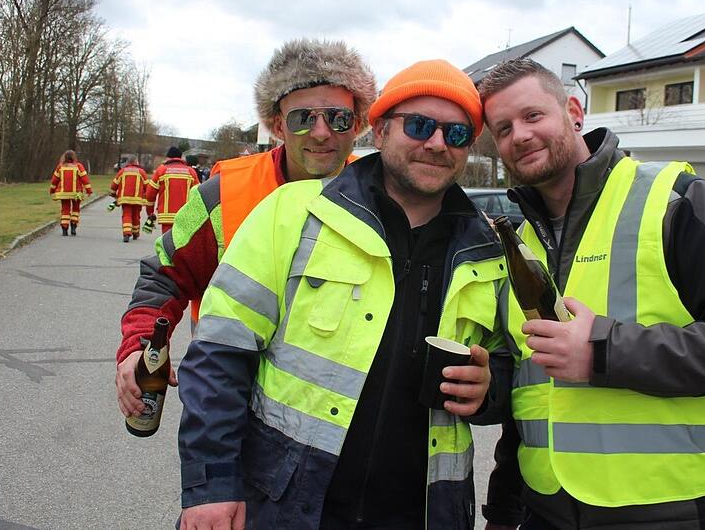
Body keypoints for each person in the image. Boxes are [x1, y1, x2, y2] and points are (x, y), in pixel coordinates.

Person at [176, 58, 517, 530]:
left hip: (422, 514)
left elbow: (512, 371)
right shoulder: (293, 213)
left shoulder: (489, 251)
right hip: (287, 504)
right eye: (419, 125)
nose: (437, 144)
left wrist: (489, 390)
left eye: (456, 133)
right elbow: (219, 355)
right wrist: (212, 486)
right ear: (379, 131)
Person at [477, 58, 705, 529]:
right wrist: (489, 392)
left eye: (532, 116)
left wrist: (604, 351)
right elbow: (533, 390)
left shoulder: (673, 199)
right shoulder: (519, 240)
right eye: (502, 128)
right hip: (547, 510)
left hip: (673, 510)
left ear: (573, 111)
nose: (519, 136)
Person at [115, 39, 377, 419]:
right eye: (303, 118)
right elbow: (164, 275)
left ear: (357, 125)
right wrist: (138, 347)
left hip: (339, 429)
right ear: (275, 125)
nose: (322, 133)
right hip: (229, 415)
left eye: (338, 118)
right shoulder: (224, 194)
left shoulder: (381, 199)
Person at [144, 146, 200, 234]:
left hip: (166, 216)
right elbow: (198, 194)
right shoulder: (191, 172)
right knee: (182, 243)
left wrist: (150, 212)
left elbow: (150, 194)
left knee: (167, 244)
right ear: (181, 157)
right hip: (184, 216)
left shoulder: (161, 170)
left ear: (168, 157)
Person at [49, 150, 92, 236]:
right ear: (74, 157)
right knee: (76, 209)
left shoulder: (60, 167)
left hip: (64, 193)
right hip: (76, 193)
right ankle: (73, 226)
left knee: (65, 210)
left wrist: (52, 190)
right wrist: (88, 190)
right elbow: (85, 179)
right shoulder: (78, 166)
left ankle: (64, 229)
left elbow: (54, 180)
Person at [109, 156, 151, 243]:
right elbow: (147, 186)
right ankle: (135, 233)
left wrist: (113, 194)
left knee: (126, 215)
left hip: (125, 199)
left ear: (128, 162)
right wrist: (148, 196)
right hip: (137, 199)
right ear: (136, 162)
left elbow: (114, 184)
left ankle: (126, 233)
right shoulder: (141, 172)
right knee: (136, 216)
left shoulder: (122, 171)